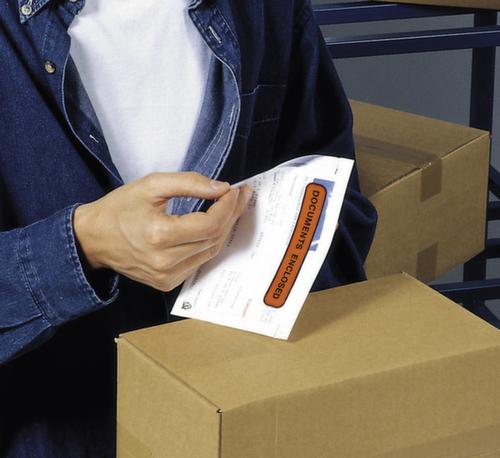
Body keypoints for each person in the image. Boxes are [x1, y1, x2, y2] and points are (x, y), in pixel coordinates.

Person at [0, 0, 377, 456]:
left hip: (240, 426)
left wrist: (264, 275)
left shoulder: (264, 9)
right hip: (56, 435)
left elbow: (339, 205)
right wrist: (84, 245)